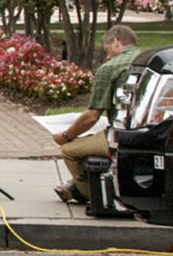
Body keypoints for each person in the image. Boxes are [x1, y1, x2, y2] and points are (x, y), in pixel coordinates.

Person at [54, 24, 139, 202]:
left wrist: (66, 135)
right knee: (94, 137)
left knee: (69, 150)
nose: (107, 55)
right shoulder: (148, 59)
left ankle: (87, 193)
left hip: (121, 135)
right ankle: (76, 185)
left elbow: (92, 116)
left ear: (116, 42)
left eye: (108, 49)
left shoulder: (110, 68)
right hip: (146, 131)